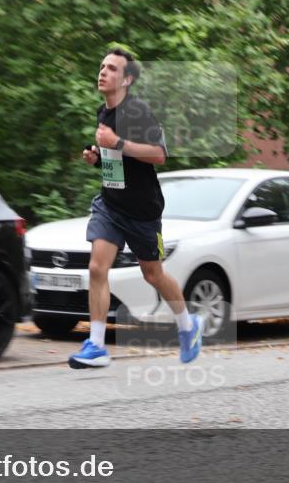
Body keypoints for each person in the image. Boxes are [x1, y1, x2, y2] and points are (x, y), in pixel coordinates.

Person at [68, 48, 202, 369]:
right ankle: (96, 345)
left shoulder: (138, 112)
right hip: (110, 205)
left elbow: (158, 154)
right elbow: (118, 162)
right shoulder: (104, 112)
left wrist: (116, 143)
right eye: (102, 66)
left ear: (127, 79)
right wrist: (98, 158)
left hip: (143, 211)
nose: (103, 72)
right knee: (97, 268)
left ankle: (188, 325)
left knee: (153, 274)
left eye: (112, 68)